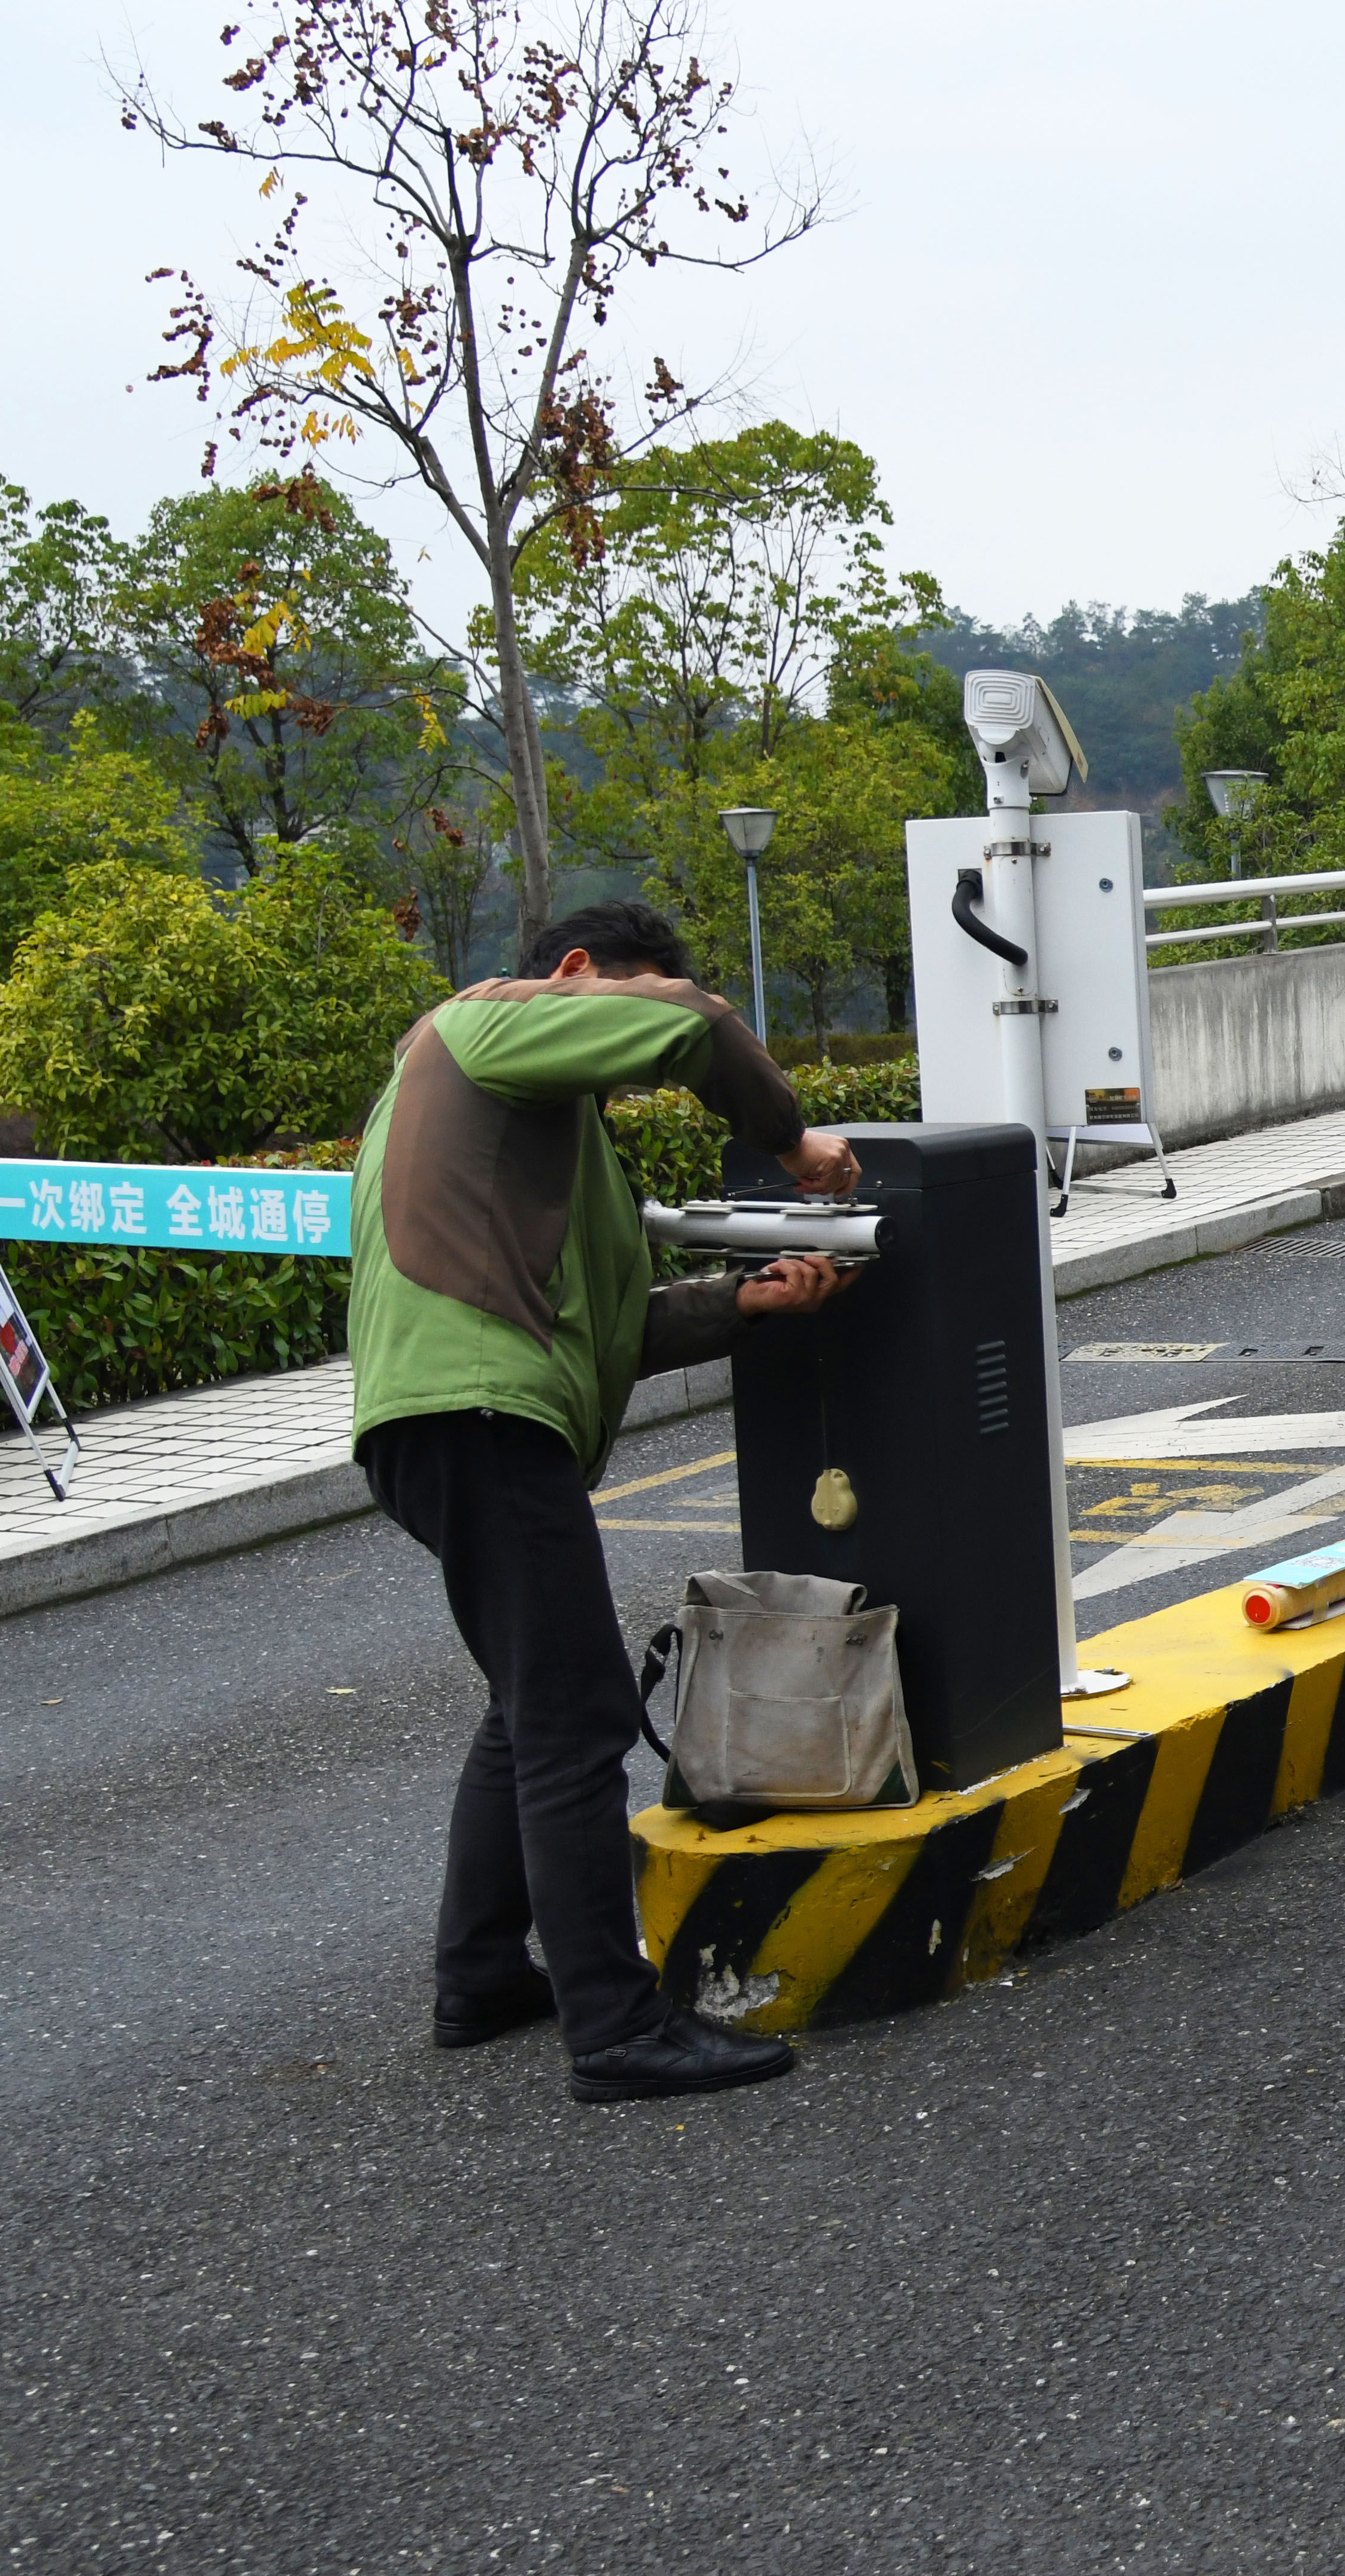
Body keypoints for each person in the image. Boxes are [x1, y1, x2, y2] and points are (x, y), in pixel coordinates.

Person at [346, 898, 863, 2104]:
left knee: (524, 1707)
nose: (624, 1069)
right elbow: (694, 1023)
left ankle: (480, 1972)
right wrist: (794, 1147)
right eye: (616, 1002)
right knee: (576, 1717)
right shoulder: (481, 1029)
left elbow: (612, 1325)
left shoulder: (542, 1125)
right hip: (478, 1417)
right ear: (575, 975)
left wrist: (750, 1304)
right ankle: (616, 2026)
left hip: (452, 1419)